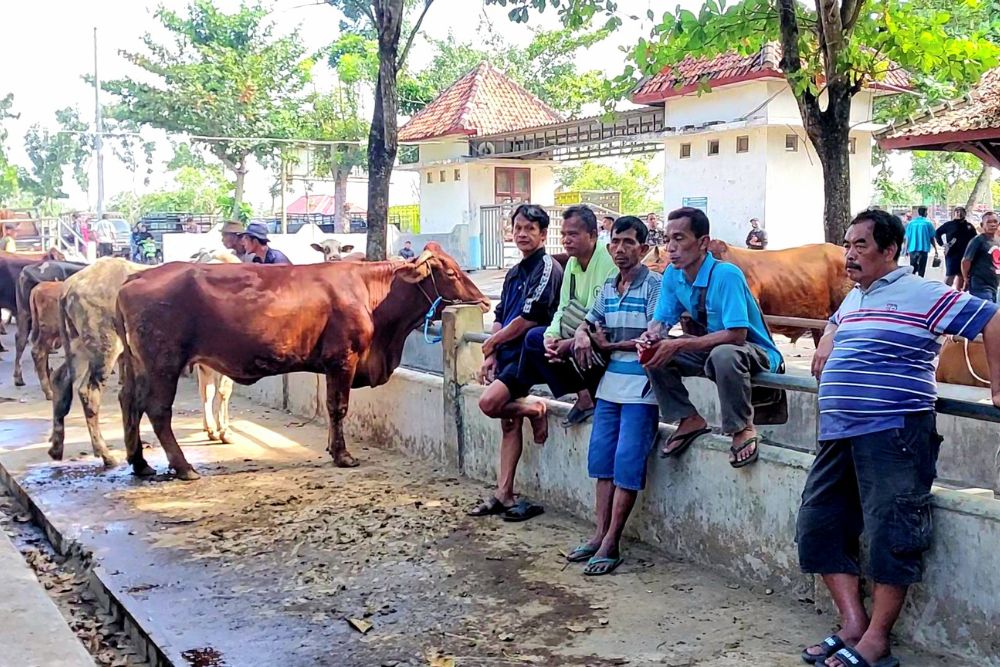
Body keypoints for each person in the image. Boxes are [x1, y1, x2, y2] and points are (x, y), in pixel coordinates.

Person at [798, 208, 1000, 667]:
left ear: (890, 250)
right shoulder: (855, 297)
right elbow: (838, 320)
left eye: (860, 246)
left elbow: (992, 318)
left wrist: (998, 386)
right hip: (838, 433)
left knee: (894, 531)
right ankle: (851, 624)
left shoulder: (922, 292)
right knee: (818, 525)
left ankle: (876, 638)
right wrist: (830, 333)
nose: (849, 255)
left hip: (894, 432)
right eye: (847, 245)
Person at [638, 207, 783, 467]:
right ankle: (688, 418)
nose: (671, 248)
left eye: (679, 239)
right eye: (667, 239)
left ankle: (742, 428)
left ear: (703, 242)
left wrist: (681, 342)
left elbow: (737, 335)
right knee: (655, 354)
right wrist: (651, 336)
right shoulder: (672, 274)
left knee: (723, 353)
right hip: (712, 349)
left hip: (751, 350)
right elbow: (661, 321)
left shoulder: (726, 274)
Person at [565, 215, 661, 576]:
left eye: (629, 243)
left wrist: (608, 343)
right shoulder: (608, 285)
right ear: (610, 246)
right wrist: (582, 334)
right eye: (616, 243)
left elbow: (653, 337)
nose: (621, 249)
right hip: (610, 387)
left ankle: (611, 541)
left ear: (644, 248)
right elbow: (590, 321)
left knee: (626, 462)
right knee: (603, 460)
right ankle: (599, 533)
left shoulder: (655, 286)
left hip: (641, 388)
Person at [470, 204, 563, 522]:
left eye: (530, 229)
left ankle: (536, 408)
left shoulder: (547, 268)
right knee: (508, 424)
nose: (522, 234)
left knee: (489, 403)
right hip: (507, 354)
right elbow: (500, 317)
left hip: (527, 355)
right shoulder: (514, 272)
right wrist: (492, 353)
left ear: (543, 234)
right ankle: (504, 493)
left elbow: (530, 318)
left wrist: (494, 343)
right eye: (518, 228)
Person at [518, 205, 618, 427]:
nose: (566, 240)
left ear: (592, 235)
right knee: (535, 338)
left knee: (582, 343)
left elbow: (602, 316)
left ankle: (596, 394)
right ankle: (584, 397)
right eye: (564, 234)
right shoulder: (572, 264)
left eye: (572, 234)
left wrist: (568, 342)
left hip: (602, 334)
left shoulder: (609, 263)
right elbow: (562, 307)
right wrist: (552, 338)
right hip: (575, 331)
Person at [961, 210, 1000, 302]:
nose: (992, 224)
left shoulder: (998, 240)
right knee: (988, 312)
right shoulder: (977, 240)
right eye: (989, 222)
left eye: (995, 221)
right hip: (980, 286)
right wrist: (966, 279)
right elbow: (966, 261)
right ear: (982, 225)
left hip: (994, 285)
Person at [934, 206, 977, 289]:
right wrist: (943, 244)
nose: (959, 213)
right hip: (952, 254)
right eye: (957, 212)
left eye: (961, 212)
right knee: (950, 275)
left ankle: (957, 295)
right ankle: (943, 293)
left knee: (961, 276)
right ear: (954, 213)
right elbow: (937, 233)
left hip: (965, 254)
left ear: (965, 213)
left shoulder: (969, 226)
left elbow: (975, 239)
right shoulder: (949, 225)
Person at [902, 206, 937, 277]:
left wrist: (905, 250)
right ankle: (920, 284)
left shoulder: (911, 224)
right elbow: (932, 238)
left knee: (913, 270)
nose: (927, 213)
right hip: (923, 249)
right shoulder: (928, 223)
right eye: (926, 212)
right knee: (921, 270)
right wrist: (936, 249)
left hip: (912, 249)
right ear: (924, 212)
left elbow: (907, 238)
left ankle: (913, 285)